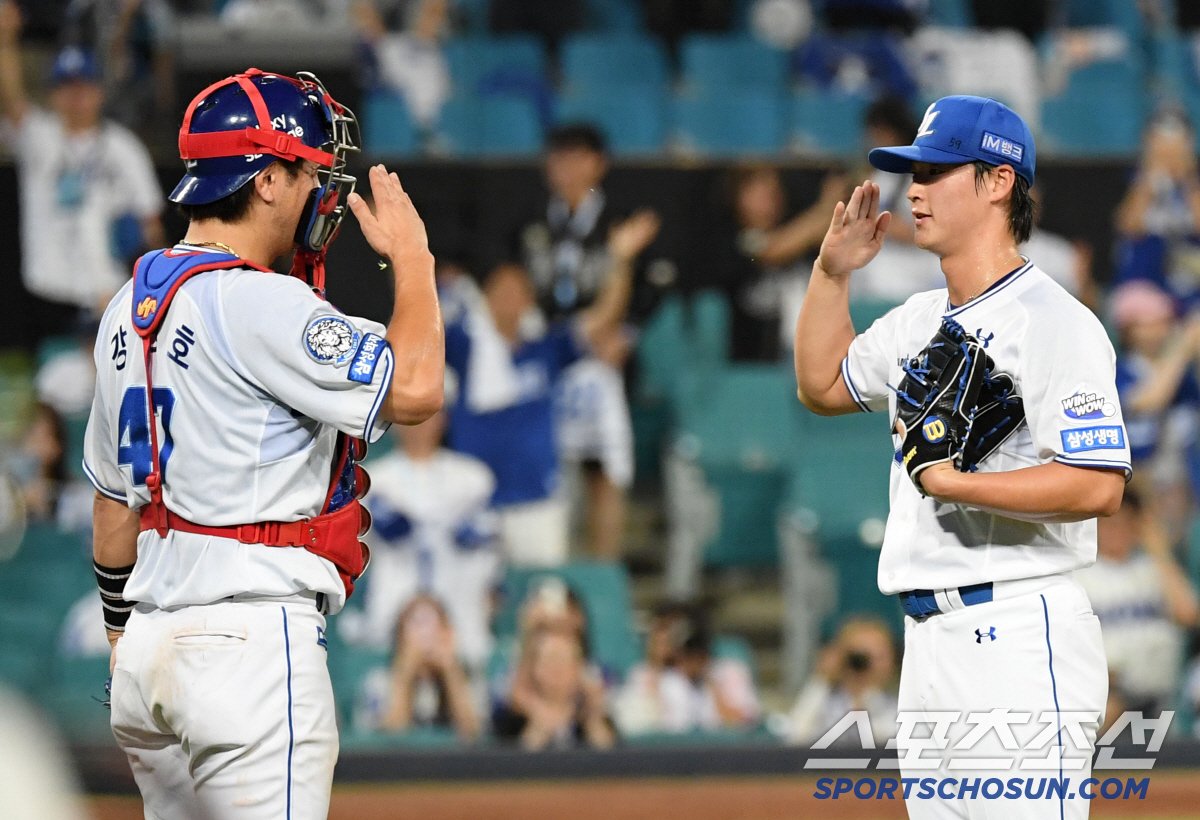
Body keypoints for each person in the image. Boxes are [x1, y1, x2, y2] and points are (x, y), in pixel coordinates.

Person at [84, 67, 444, 818]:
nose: (322, 190)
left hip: (151, 648)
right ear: (267, 180)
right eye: (310, 170)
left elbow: (113, 510)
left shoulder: (127, 306)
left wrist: (122, 632)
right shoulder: (254, 300)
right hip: (246, 643)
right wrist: (413, 263)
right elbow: (415, 388)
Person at [794, 95, 1129, 819]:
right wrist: (829, 275)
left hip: (1016, 626)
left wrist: (955, 483)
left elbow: (1098, 486)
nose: (913, 187)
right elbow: (821, 384)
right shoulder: (917, 319)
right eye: (911, 171)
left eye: (938, 170)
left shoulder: (1054, 322)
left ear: (998, 181)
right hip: (929, 639)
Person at [446, 213, 658, 567]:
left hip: (537, 501)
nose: (508, 298)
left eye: (517, 291)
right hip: (476, 502)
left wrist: (620, 260)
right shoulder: (461, 344)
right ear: (485, 297)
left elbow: (605, 317)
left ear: (530, 300)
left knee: (543, 597)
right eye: (500, 290)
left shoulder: (546, 348)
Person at [0, 1, 164, 345]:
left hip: (108, 292)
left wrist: (150, 294)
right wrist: (5, 40)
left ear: (99, 92)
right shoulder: (39, 137)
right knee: (52, 388)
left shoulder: (122, 147)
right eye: (67, 86)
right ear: (53, 94)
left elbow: (152, 228)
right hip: (49, 290)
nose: (76, 95)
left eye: (84, 86)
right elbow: (13, 101)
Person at [341, 409, 500, 671]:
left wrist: (458, 530)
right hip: (395, 589)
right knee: (386, 659)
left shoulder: (472, 476)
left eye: (430, 417)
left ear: (444, 419)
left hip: (458, 590)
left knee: (469, 654)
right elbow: (362, 544)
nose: (420, 426)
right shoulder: (375, 478)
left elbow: (487, 540)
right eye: (413, 418)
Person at [1074, 491, 1198, 717]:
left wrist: (1158, 548)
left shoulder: (1154, 568)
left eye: (1125, 522)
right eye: (1109, 524)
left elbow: (1188, 615)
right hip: (1104, 701)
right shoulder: (1079, 577)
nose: (1117, 531)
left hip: (1160, 701)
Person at [614, 601, 759, 735]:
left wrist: (708, 679)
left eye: (675, 632)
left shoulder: (729, 671)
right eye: (660, 631)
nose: (666, 638)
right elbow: (646, 726)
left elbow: (745, 725)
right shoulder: (644, 675)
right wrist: (657, 669)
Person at [356, 594, 483, 741]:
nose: (425, 635)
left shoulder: (467, 676)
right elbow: (391, 737)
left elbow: (473, 735)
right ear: (400, 636)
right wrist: (405, 671)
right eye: (417, 625)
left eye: (434, 625)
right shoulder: (379, 681)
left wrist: (450, 669)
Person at [492, 625, 616, 750]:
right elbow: (513, 763)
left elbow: (610, 758)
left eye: (564, 661)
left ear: (578, 669)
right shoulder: (514, 716)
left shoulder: (589, 715)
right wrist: (540, 724)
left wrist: (593, 716)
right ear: (535, 669)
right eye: (550, 660)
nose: (557, 669)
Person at [783, 615, 899, 746]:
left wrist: (867, 696)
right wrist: (821, 680)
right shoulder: (823, 701)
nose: (866, 664)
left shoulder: (899, 704)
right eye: (859, 656)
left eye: (878, 656)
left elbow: (888, 740)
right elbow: (795, 735)